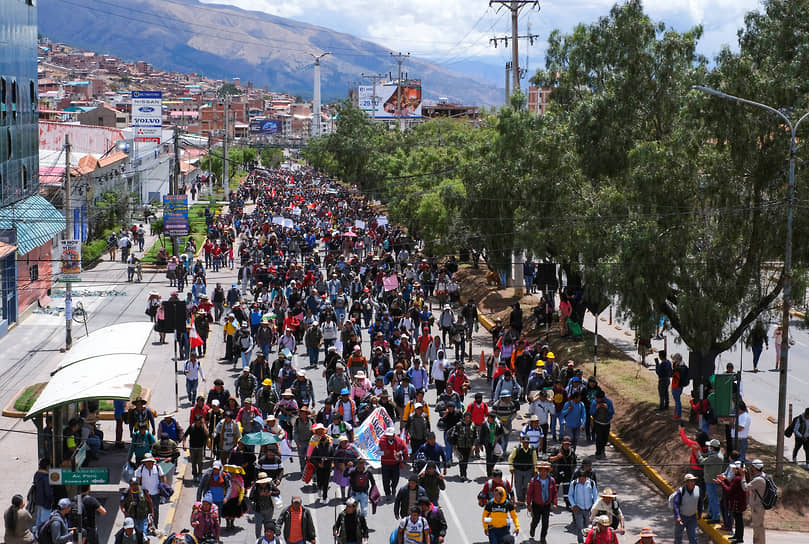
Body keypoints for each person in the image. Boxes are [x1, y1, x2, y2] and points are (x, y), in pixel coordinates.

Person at [526, 461, 557, 544]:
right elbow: (529, 493)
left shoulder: (551, 480)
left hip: (546, 505)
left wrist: (554, 503)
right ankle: (532, 528)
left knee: (545, 522)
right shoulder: (534, 481)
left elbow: (554, 492)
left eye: (545, 471)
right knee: (536, 520)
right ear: (539, 471)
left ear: (547, 472)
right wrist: (528, 504)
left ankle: (543, 537)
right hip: (536, 505)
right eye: (541, 471)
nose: (543, 473)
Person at [716, 461, 746, 544]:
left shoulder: (737, 479)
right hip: (738, 502)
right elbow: (731, 485)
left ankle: (739, 538)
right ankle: (737, 536)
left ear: (737, 469)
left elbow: (729, 490)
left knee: (739, 521)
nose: (732, 470)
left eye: (734, 468)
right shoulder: (738, 478)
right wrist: (725, 480)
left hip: (737, 503)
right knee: (738, 520)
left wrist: (721, 483)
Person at [135, 453, 166, 531]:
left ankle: (155, 526)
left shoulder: (158, 467)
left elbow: (163, 477)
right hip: (145, 494)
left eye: (150, 462)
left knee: (155, 510)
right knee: (145, 511)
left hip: (155, 494)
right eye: (147, 462)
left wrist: (164, 488)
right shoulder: (140, 469)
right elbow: (138, 480)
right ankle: (147, 526)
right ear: (144, 462)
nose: (149, 464)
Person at [742, 459, 767, 544]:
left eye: (752, 467)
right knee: (759, 527)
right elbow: (752, 484)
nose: (751, 468)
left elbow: (745, 487)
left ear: (755, 468)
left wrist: (742, 476)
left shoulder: (759, 479)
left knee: (757, 528)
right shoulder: (762, 475)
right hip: (759, 506)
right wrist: (747, 475)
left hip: (757, 507)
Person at [699, 438, 724, 523]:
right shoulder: (717, 454)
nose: (709, 448)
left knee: (714, 499)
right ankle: (711, 513)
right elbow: (707, 455)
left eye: (710, 447)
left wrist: (698, 453)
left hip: (711, 480)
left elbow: (702, 461)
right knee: (711, 498)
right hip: (712, 479)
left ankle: (716, 517)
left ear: (713, 448)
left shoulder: (714, 457)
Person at [569, 470, 598, 544]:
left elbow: (595, 495)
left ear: (586, 478)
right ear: (578, 478)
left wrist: (594, 506)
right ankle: (581, 541)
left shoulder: (591, 483)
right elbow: (570, 495)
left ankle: (589, 541)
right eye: (580, 479)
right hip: (578, 508)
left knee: (589, 527)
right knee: (580, 527)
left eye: (583, 479)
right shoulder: (574, 483)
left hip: (589, 508)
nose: (582, 481)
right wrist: (573, 505)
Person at [672, 474, 702, 544]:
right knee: (678, 537)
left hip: (692, 517)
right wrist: (678, 516)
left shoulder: (698, 490)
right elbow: (675, 504)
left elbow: (700, 502)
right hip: (682, 517)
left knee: (694, 536)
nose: (692, 483)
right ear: (686, 482)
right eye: (690, 481)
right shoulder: (681, 491)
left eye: (693, 481)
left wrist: (700, 513)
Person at [508, 434, 537, 505]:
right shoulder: (517, 449)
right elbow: (510, 458)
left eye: (527, 442)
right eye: (524, 442)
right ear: (522, 442)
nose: (526, 444)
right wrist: (511, 468)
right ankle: (520, 499)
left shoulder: (532, 449)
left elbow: (534, 460)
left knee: (526, 485)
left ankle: (524, 497)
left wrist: (535, 470)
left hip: (528, 470)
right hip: (518, 470)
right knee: (518, 485)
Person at [250, 472, 280, 540]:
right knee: (258, 526)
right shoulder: (255, 487)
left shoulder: (270, 484)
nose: (263, 484)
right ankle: (259, 540)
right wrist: (258, 495)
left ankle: (267, 539)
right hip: (258, 511)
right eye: (262, 482)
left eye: (264, 482)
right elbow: (251, 497)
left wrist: (271, 493)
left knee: (268, 526)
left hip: (269, 509)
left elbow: (278, 492)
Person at [590, 390, 614, 458]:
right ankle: (598, 452)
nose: (598, 400)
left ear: (603, 398)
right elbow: (591, 412)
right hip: (598, 423)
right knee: (599, 438)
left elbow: (612, 412)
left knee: (605, 438)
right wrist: (596, 408)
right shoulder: (595, 402)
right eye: (597, 398)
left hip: (606, 423)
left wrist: (607, 408)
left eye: (599, 399)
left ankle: (602, 449)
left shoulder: (608, 402)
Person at [32, 458, 53, 532]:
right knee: (45, 523)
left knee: (39, 520)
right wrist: (52, 498)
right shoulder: (46, 477)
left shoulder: (37, 474)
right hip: (45, 503)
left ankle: (37, 535)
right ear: (47, 467)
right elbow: (48, 493)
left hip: (39, 501)